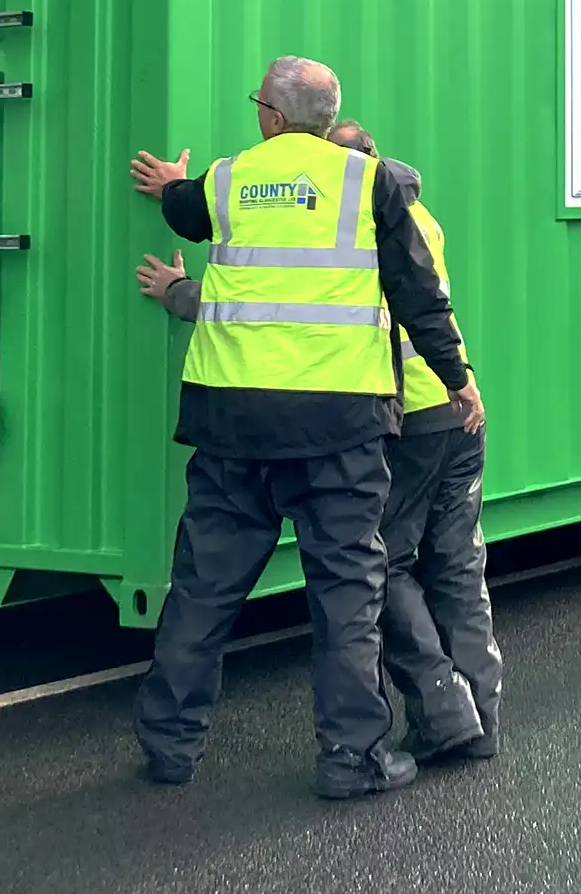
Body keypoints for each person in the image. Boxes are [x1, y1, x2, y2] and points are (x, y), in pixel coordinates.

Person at [126, 56, 481, 800]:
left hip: (231, 421)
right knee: (348, 593)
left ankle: (169, 746)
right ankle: (352, 758)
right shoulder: (370, 183)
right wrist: (457, 377)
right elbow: (419, 295)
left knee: (203, 590)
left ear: (272, 117)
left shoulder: (229, 179)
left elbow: (184, 210)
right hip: (338, 426)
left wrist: (172, 184)